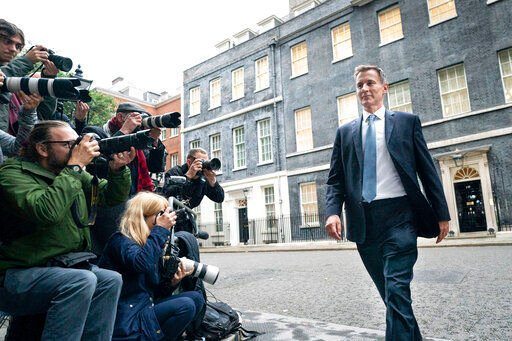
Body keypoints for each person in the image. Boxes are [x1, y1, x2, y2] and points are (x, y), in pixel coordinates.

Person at [325, 65, 450, 341]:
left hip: (400, 217)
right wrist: (333, 212)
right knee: (392, 297)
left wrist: (442, 213)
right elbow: (335, 179)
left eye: (370, 83)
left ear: (384, 87)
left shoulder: (406, 122)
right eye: (359, 85)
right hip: (364, 223)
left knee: (396, 291)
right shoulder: (345, 133)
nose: (364, 89)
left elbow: (427, 170)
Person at [0, 120, 133, 340]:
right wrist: (75, 167)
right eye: (70, 144)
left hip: (59, 266)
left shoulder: (71, 173)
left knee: (110, 279)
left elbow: (109, 197)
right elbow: (46, 211)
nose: (78, 149)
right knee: (82, 280)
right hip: (16, 274)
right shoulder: (12, 174)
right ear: (43, 149)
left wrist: (117, 171)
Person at [99, 191, 205, 340]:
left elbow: (153, 291)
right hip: (126, 318)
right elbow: (140, 264)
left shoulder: (149, 242)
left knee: (196, 298)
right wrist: (160, 230)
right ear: (142, 216)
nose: (165, 219)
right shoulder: (121, 241)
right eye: (160, 214)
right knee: (185, 305)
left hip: (143, 307)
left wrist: (172, 283)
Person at [0, 19, 57, 133]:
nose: (13, 49)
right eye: (7, 41)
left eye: (18, 46)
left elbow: (44, 116)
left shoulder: (19, 80)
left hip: (14, 146)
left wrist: (48, 78)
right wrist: (27, 61)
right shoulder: (15, 71)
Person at [102, 102, 158, 194]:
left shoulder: (138, 142)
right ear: (120, 117)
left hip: (136, 197)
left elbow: (155, 167)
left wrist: (156, 143)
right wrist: (125, 130)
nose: (140, 123)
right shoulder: (101, 133)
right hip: (112, 197)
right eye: (137, 118)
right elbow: (106, 155)